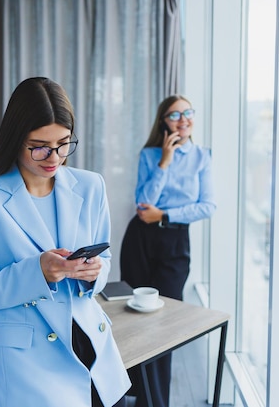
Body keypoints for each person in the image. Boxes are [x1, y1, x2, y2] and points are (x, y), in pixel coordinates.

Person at [0, 77, 131, 407]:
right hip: (30, 368)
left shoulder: (90, 186)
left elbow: (105, 263)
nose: (54, 156)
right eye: (39, 146)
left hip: (95, 354)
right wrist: (39, 272)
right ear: (14, 139)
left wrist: (94, 272)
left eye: (64, 144)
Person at [120, 94, 216, 407]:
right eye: (175, 115)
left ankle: (156, 402)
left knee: (164, 324)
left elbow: (207, 206)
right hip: (140, 240)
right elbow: (142, 202)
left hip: (174, 242)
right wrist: (164, 161)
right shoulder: (150, 155)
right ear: (164, 122)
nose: (183, 119)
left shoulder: (203, 156)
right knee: (135, 318)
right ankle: (133, 393)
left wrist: (165, 215)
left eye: (188, 112)